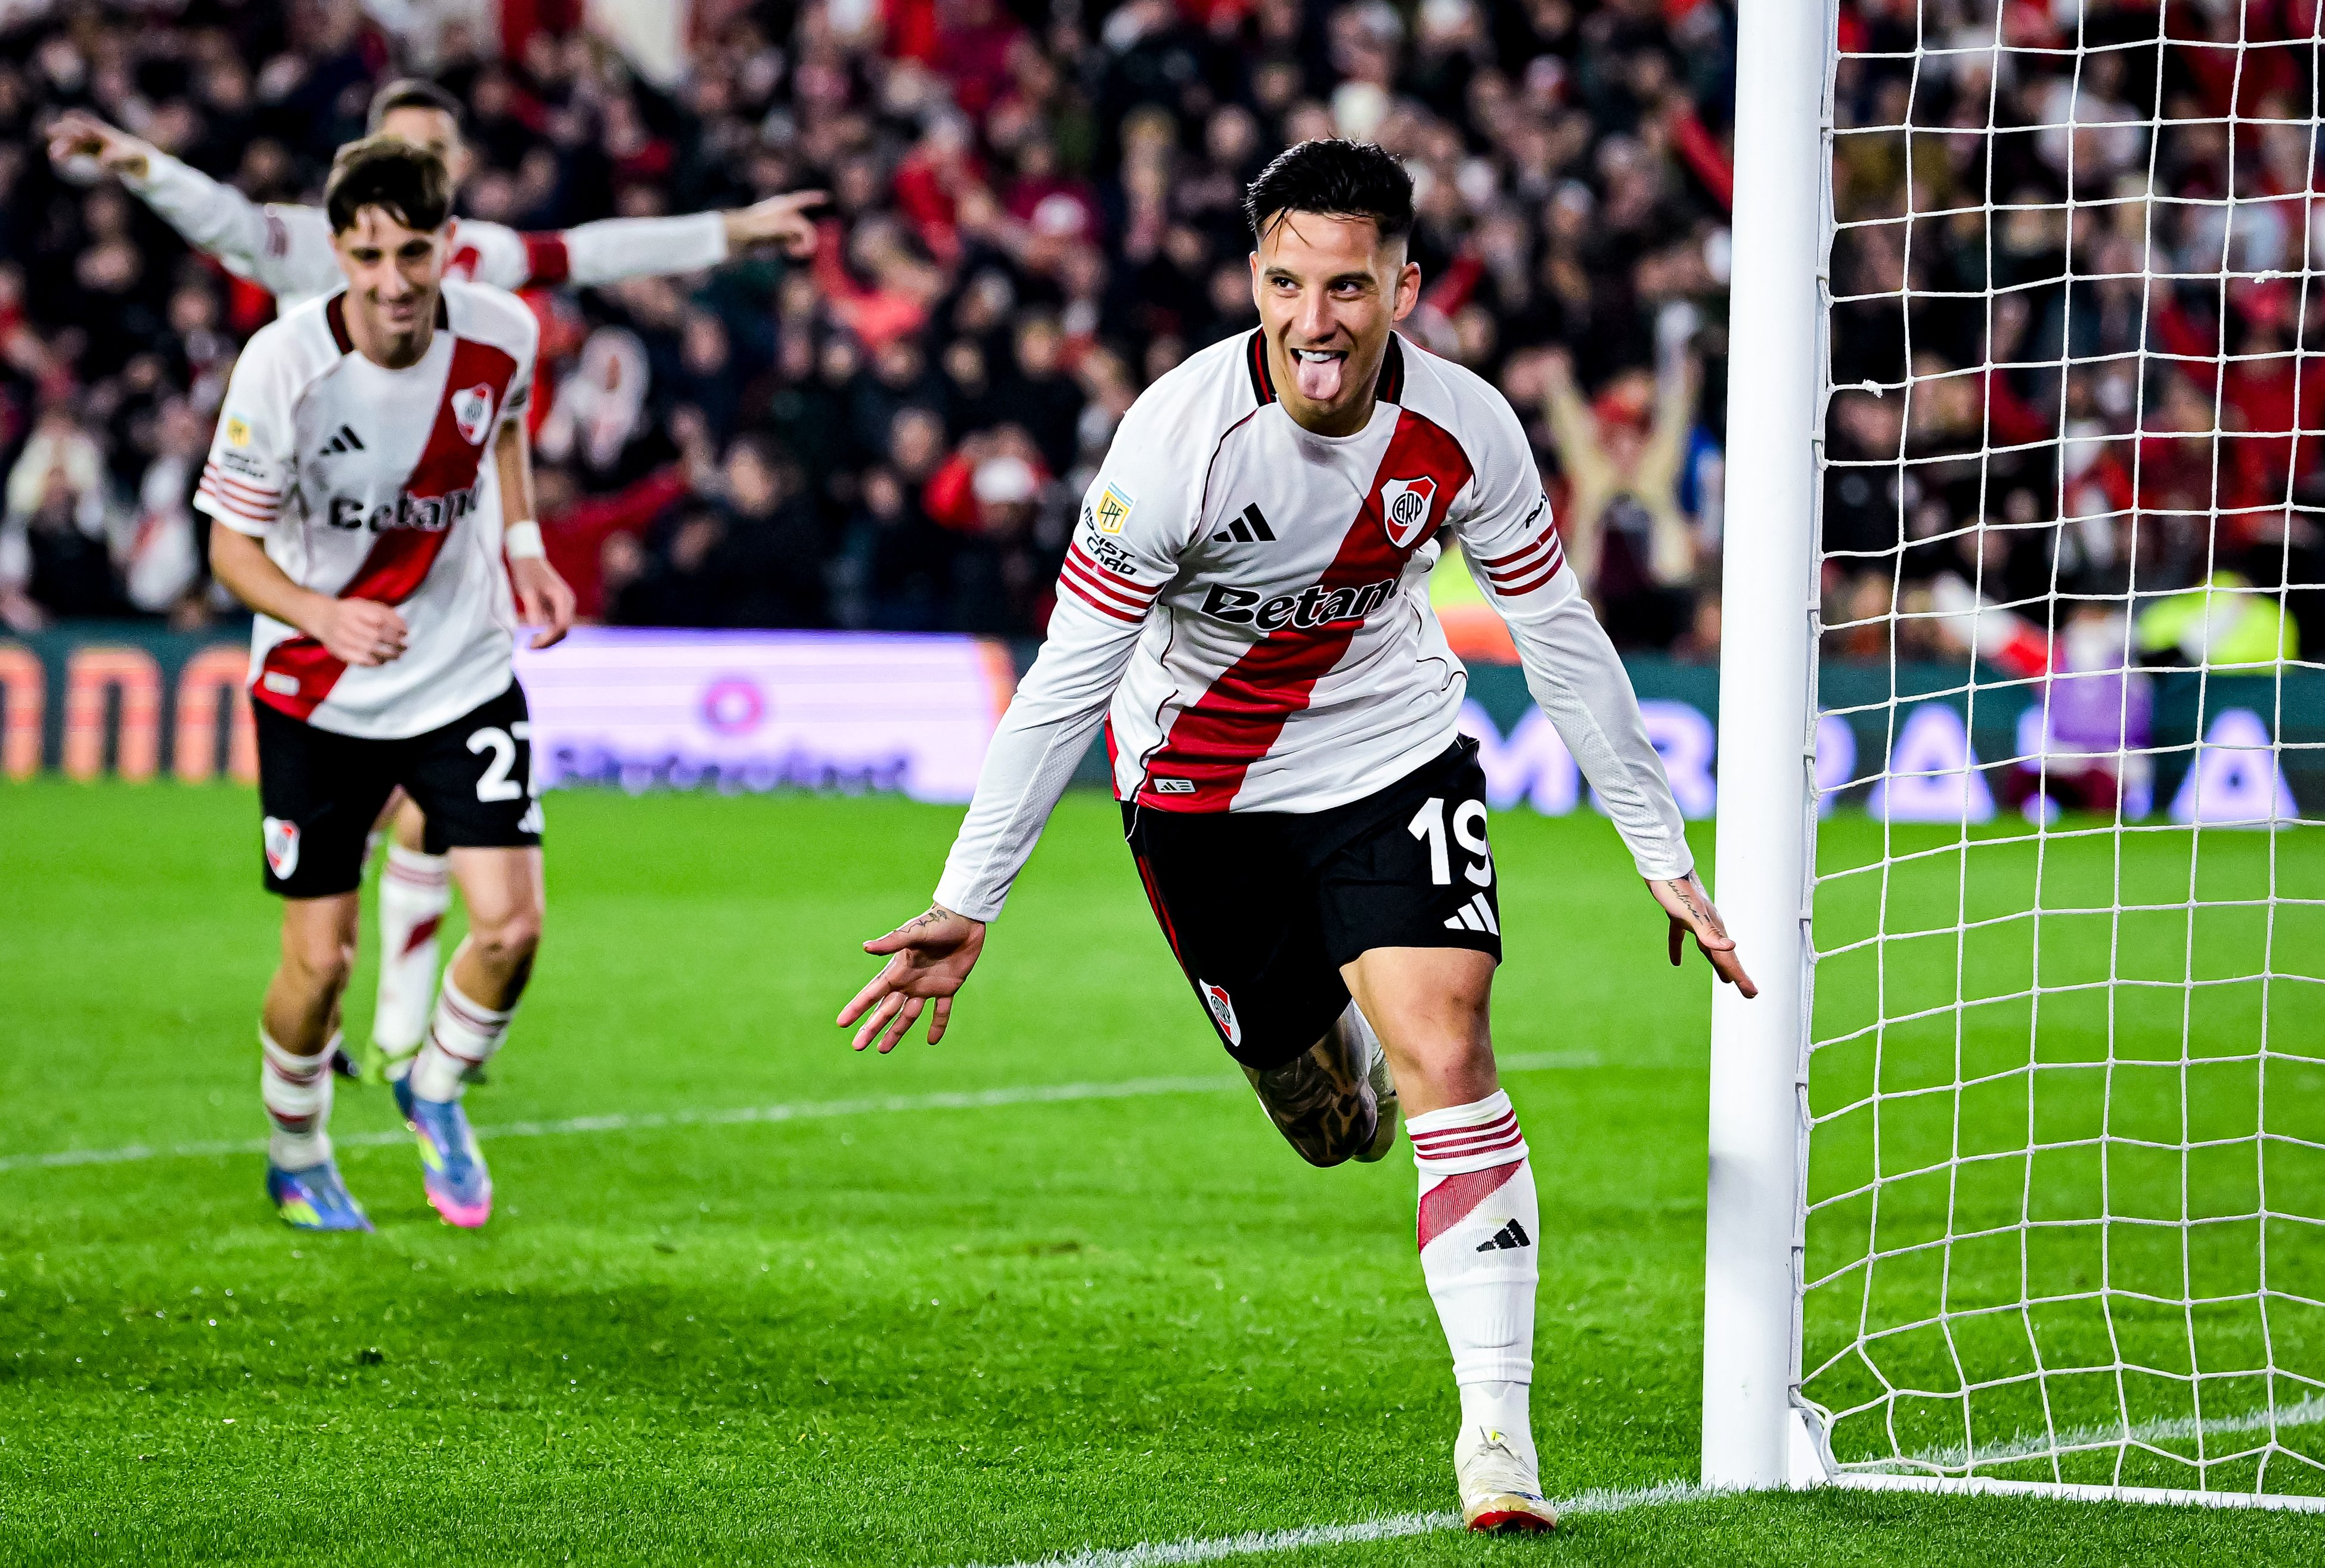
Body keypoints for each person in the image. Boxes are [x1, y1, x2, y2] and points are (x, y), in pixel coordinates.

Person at [836, 140, 1756, 1533]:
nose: (1312, 321)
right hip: (1194, 795)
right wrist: (972, 899)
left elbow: (1559, 637)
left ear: (1405, 285)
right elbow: (1067, 678)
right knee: (1331, 1125)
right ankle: (1341, 1057)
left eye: (1346, 285)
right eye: (1284, 281)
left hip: (1390, 750)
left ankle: (1497, 1435)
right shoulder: (1171, 444)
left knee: (1451, 1046)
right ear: (1252, 276)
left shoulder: (1467, 432)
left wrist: (1662, 847)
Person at [51, 79, 824, 1083]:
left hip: (436, 585)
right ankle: (342, 1006)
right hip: (325, 561)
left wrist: (731, 232)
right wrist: (133, 158)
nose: (423, 172)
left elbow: (592, 254)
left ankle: (405, 1031)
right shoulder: (304, 254)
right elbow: (222, 219)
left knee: (440, 822)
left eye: (441, 150)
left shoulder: (479, 269)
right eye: (405, 145)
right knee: (346, 879)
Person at [200, 137, 572, 1232]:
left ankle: (437, 1087)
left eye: (414, 252)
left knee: (512, 928)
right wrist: (323, 613)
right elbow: (231, 549)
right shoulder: (282, 365)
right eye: (367, 257)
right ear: (338, 252)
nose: (393, 281)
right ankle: (296, 1149)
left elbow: (501, 429)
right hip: (317, 689)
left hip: (460, 672)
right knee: (320, 963)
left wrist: (526, 543)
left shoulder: (505, 334)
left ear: (451, 247)